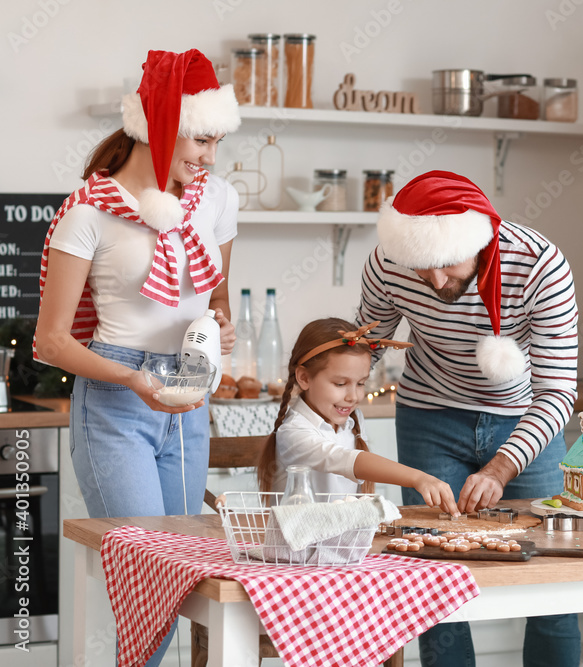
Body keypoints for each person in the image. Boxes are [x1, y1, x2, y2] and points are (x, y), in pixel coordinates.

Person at [34, 49, 241, 666]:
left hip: (189, 397)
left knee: (182, 583)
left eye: (213, 142)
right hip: (116, 405)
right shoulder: (88, 210)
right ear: (160, 125)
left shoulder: (218, 199)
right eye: (201, 139)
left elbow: (218, 296)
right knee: (152, 577)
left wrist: (221, 326)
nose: (208, 156)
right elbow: (52, 342)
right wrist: (135, 378)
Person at [357, 170, 580, 667]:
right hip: (428, 416)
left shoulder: (540, 267)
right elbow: (366, 346)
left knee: (553, 581)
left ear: (478, 241)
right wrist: (333, 395)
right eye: (422, 268)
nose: (436, 282)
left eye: (445, 264)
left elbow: (558, 390)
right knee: (434, 581)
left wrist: (502, 466)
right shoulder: (388, 262)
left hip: (526, 421)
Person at [257, 317, 460, 515]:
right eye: (340, 384)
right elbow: (346, 460)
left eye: (361, 383)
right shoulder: (294, 433)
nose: (353, 396)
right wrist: (418, 478)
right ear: (304, 378)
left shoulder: (354, 421)